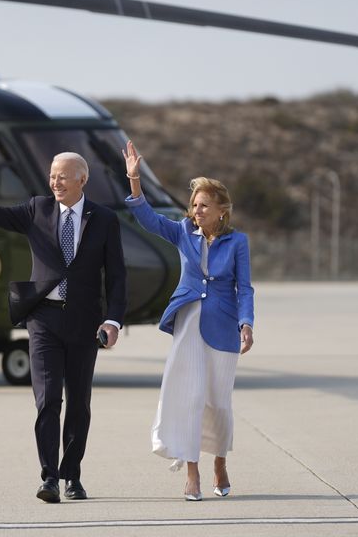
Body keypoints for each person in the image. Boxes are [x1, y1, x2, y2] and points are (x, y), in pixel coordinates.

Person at [0, 150, 127, 503]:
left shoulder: (105, 219)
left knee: (79, 404)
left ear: (82, 179)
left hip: (84, 322)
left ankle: (72, 477)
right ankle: (49, 477)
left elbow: (116, 276)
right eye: (52, 176)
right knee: (48, 400)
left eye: (63, 176)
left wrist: (112, 320)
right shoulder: (37, 209)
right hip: (43, 320)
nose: (55, 182)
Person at [122, 140, 254, 501]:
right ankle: (192, 473)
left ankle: (220, 462)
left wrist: (247, 323)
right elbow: (147, 218)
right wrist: (134, 180)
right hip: (189, 323)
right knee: (191, 397)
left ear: (221, 211)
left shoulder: (238, 242)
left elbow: (245, 288)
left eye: (204, 205)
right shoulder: (182, 232)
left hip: (225, 325)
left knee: (219, 403)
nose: (197, 210)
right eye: (194, 204)